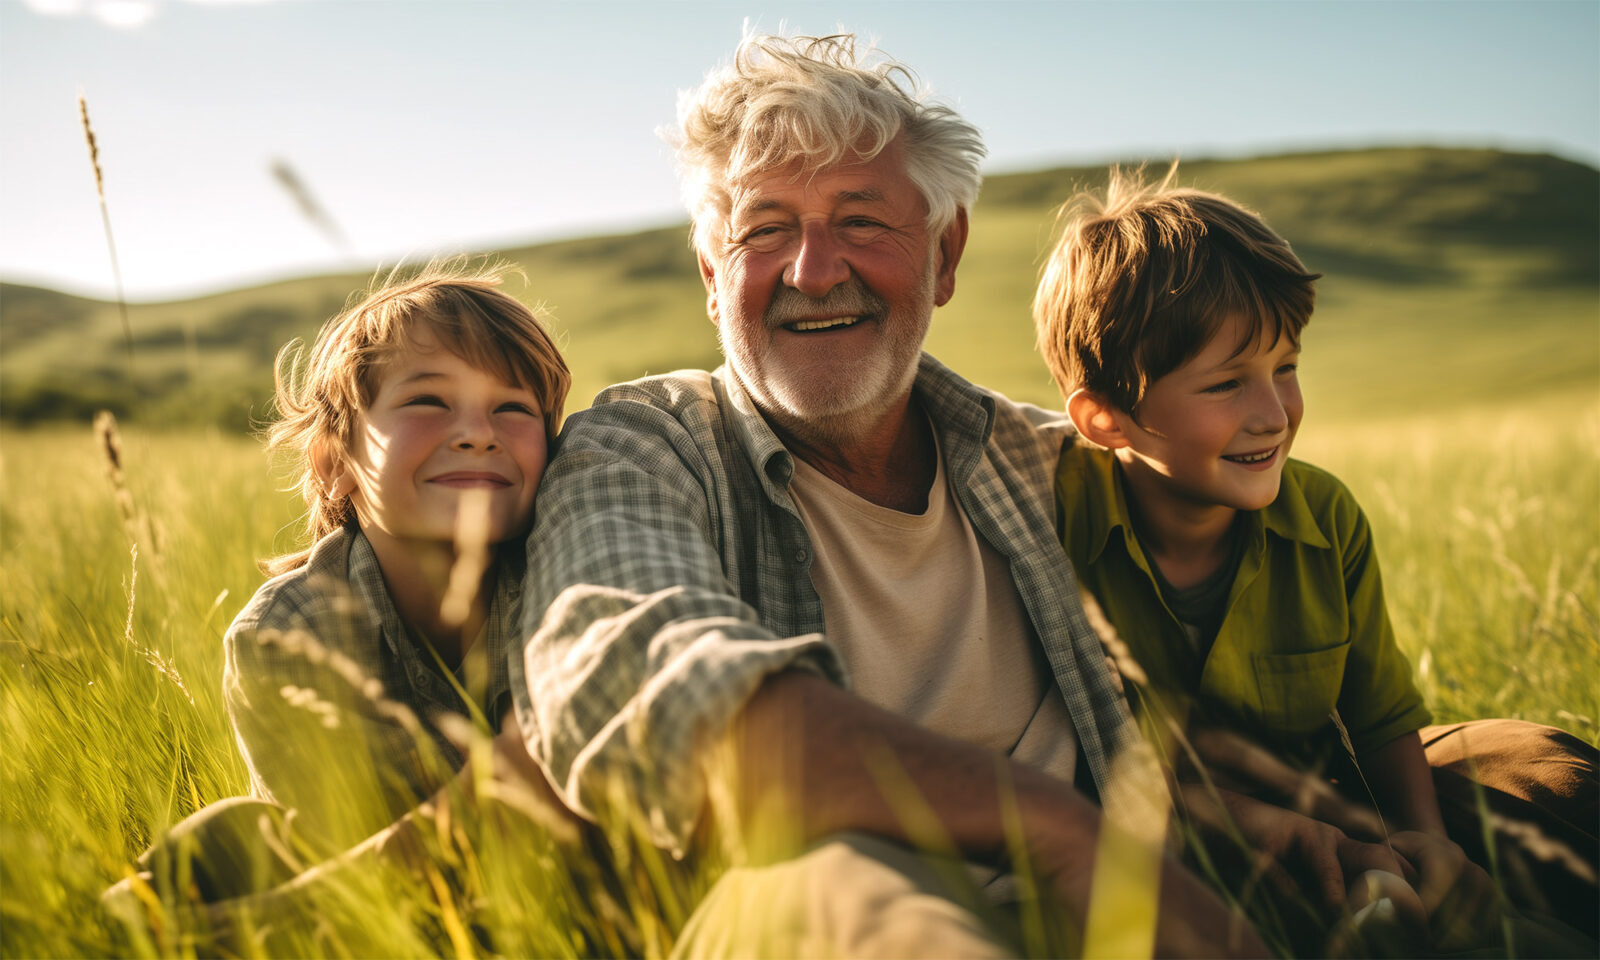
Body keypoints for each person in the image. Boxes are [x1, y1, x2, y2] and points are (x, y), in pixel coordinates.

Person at [516, 33, 1265, 958]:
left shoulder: (1047, 464)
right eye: (764, 229)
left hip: (1101, 910)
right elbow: (643, 685)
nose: (813, 270)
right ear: (713, 278)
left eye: (862, 221)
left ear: (945, 255)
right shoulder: (645, 450)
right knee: (827, 889)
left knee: (1481, 772)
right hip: (832, 922)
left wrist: (1313, 825)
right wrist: (1050, 824)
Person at [1034, 168, 1598, 953]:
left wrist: (1423, 837)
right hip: (1176, 828)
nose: (1275, 414)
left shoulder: (1325, 516)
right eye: (1228, 383)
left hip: (1343, 794)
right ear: (1107, 419)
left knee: (1549, 772)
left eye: (1286, 367)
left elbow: (1382, 714)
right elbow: (1067, 763)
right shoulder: (1051, 534)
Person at [110, 261, 576, 919]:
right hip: (389, 906)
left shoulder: (573, 583)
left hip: (571, 898)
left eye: (513, 408)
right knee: (229, 836)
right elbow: (369, 878)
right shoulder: (287, 635)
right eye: (427, 401)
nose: (478, 432)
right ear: (335, 464)